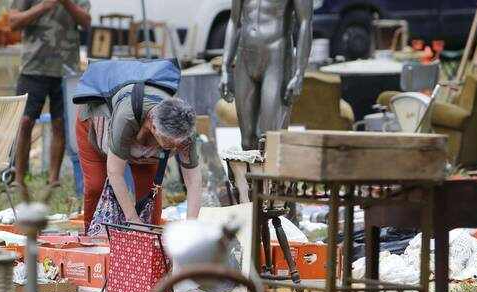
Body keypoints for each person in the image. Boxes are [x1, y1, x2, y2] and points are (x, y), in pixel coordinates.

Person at [76, 83, 202, 233]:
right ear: (154, 127)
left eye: (178, 143)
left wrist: (191, 228)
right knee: (95, 185)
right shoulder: (126, 117)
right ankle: (92, 241)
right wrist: (133, 220)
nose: (176, 147)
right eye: (169, 142)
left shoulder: (186, 131)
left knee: (150, 189)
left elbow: (194, 180)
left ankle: (150, 244)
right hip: (97, 120)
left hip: (142, 139)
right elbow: (115, 173)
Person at [8, 0, 91, 186]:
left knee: (61, 123)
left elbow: (86, 22)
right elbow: (13, 22)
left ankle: (54, 179)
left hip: (65, 68)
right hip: (33, 66)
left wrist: (66, 3)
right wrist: (43, 6)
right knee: (25, 122)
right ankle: (19, 179)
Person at [220, 0, 313, 150]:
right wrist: (225, 68)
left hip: (277, 57)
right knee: (247, 141)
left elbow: (305, 23)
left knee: (270, 139)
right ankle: (250, 173)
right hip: (245, 56)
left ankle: (271, 172)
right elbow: (234, 21)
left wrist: (299, 73)